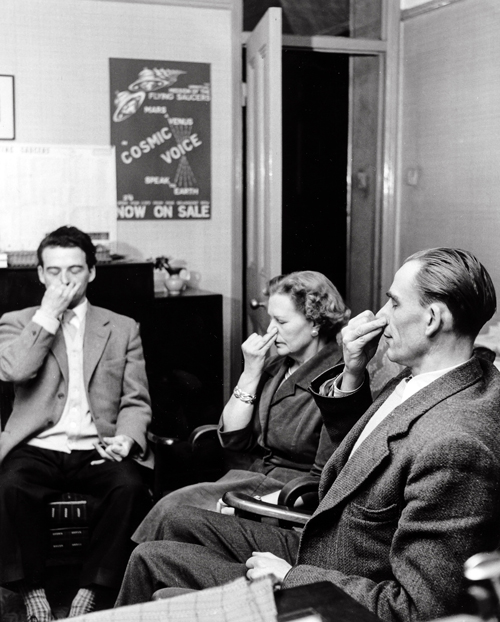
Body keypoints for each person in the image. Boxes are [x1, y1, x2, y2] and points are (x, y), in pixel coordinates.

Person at [115, 248, 500, 622]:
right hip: (328, 547)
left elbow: (418, 611)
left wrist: (291, 578)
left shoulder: (457, 445)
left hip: (334, 581)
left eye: (394, 303)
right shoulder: (426, 379)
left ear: (432, 318)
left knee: (160, 576)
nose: (379, 316)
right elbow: (364, 458)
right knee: (158, 543)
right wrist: (353, 370)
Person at [0, 226, 153, 621]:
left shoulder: (122, 327)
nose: (64, 280)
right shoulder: (17, 322)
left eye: (74, 270)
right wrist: (48, 314)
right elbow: (15, 370)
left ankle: (92, 589)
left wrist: (126, 437)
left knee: (131, 487)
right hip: (38, 446)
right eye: (53, 271)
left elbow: (136, 399)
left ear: (92, 272)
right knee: (9, 486)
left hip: (97, 447)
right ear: (39, 274)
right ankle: (31, 590)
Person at [133, 270, 353, 543]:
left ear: (316, 323)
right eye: (270, 318)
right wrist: (250, 373)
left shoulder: (339, 383)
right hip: (248, 477)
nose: (270, 330)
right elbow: (232, 439)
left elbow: (325, 481)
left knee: (175, 517)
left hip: (287, 497)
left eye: (281, 321)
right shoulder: (275, 366)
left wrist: (252, 505)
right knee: (168, 509)